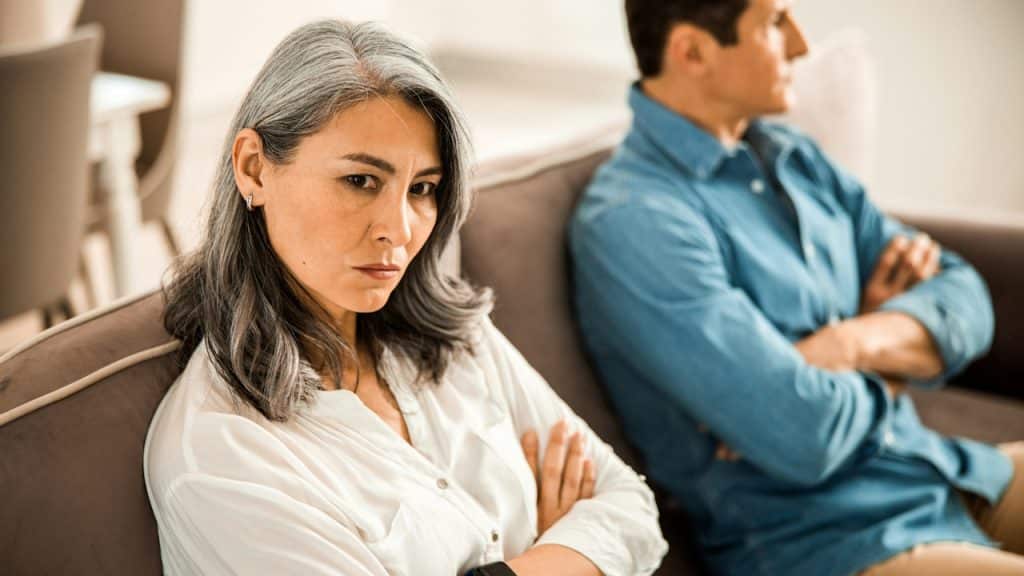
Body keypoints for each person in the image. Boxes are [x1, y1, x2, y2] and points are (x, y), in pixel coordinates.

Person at [145, 19, 667, 576]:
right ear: (254, 168)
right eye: (361, 181)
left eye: (422, 189)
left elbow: (631, 509)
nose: (398, 230)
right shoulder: (222, 459)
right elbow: (607, 535)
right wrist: (553, 549)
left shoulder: (455, 336)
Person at [569, 1, 1024, 575]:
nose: (802, 45)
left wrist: (848, 344)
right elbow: (804, 435)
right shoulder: (638, 220)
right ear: (693, 52)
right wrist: (897, 364)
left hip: (943, 471)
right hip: (832, 544)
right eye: (774, 23)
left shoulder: (793, 156)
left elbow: (967, 299)